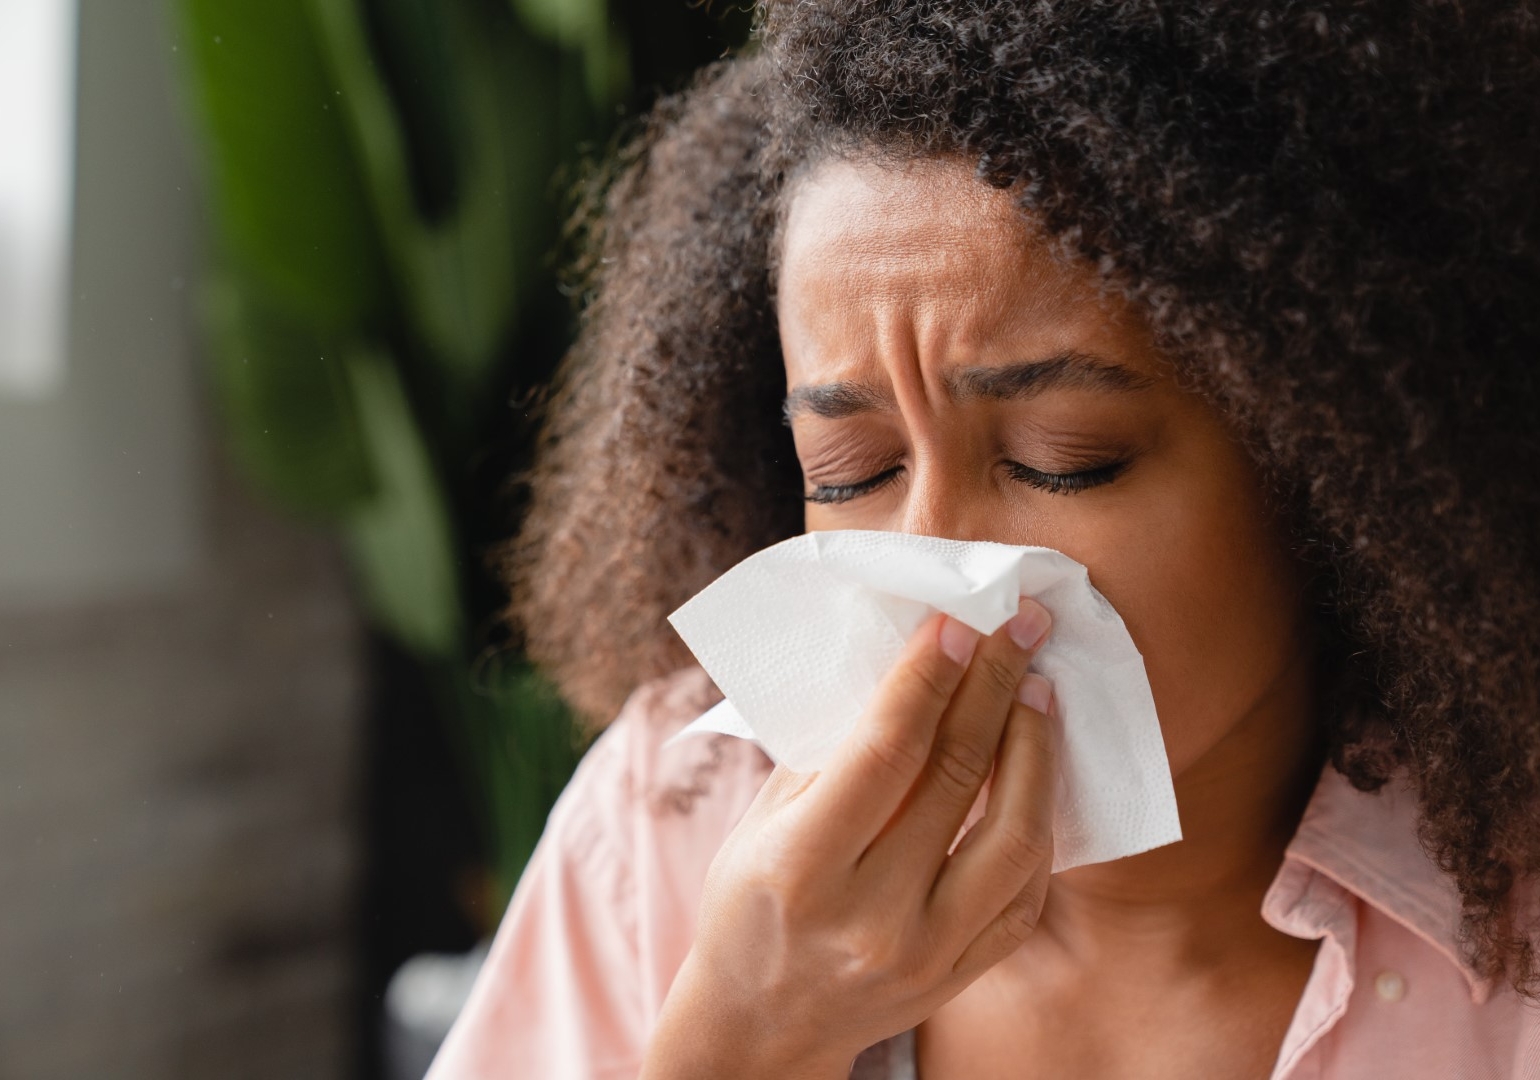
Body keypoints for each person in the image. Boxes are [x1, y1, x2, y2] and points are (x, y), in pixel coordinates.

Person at [428, 2, 1540, 1076]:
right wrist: (744, 1046)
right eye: (850, 472)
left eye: (1064, 459)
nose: (936, 567)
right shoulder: (674, 818)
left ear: (1328, 460)